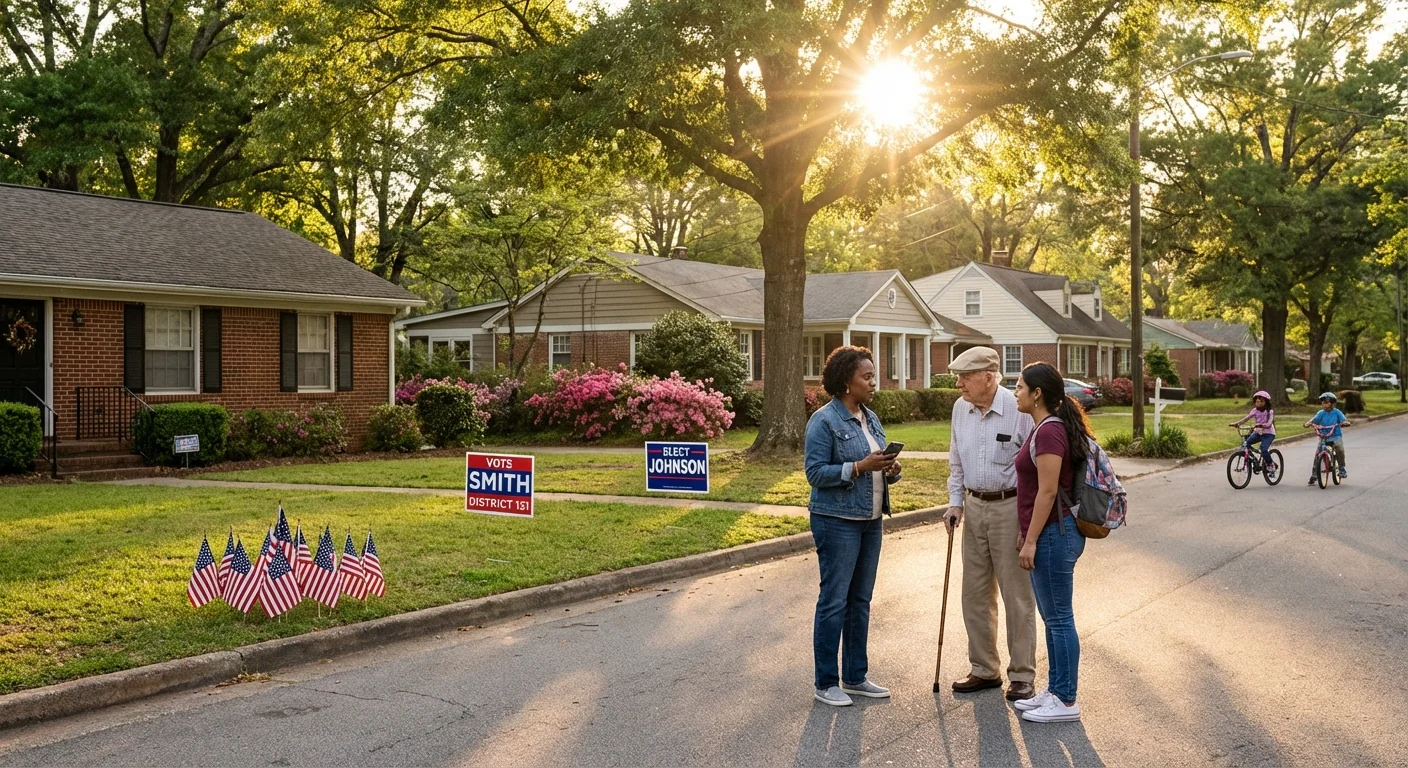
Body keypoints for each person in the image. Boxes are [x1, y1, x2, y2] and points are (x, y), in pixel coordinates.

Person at [803, 345, 902, 707]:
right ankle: (826, 682)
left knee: (860, 600)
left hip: (870, 520)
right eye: (867, 377)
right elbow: (815, 473)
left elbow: (878, 465)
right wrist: (859, 467)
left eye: (873, 376)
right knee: (834, 601)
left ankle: (856, 677)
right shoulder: (823, 421)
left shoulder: (870, 417)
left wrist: (891, 469)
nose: (874, 382)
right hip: (836, 522)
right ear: (847, 382)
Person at [941, 347, 1037, 702]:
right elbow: (955, 460)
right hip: (973, 504)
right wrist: (955, 503)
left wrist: (1028, 524)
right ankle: (984, 669)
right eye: (958, 376)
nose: (958, 383)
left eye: (965, 377)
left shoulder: (1019, 409)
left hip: (1010, 506)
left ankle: (1022, 674)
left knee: (1017, 595)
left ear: (989, 376)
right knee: (975, 594)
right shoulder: (959, 409)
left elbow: (1035, 468)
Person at [1012, 361, 1093, 723]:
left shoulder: (1048, 432)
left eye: (1019, 386)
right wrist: (1024, 530)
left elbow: (1047, 492)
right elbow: (1035, 492)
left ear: (1037, 393)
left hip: (1054, 535)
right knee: (1052, 618)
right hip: (1048, 533)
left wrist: (1030, 541)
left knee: (1059, 619)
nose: (1015, 392)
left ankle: (1066, 699)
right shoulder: (1044, 428)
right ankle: (1056, 688)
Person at [1304, 392, 1351, 483]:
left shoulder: (1337, 412)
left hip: (1335, 436)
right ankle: (1314, 474)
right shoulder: (1321, 413)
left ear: (1332, 403)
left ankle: (1341, 468)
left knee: (1339, 449)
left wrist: (1345, 422)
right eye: (1323, 402)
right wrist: (1308, 423)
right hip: (1323, 436)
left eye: (1326, 402)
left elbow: (1344, 420)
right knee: (1318, 454)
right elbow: (1314, 420)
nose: (1324, 404)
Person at [1229, 390, 1278, 472]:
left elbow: (1269, 423)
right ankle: (1252, 460)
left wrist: (1261, 425)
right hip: (1258, 432)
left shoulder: (1270, 411)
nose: (1258, 403)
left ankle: (1270, 464)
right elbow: (1247, 418)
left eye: (1261, 402)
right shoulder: (1255, 410)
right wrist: (1237, 423)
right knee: (1246, 444)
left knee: (1264, 449)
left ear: (1266, 402)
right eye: (1257, 402)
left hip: (1268, 434)